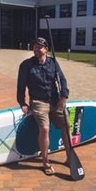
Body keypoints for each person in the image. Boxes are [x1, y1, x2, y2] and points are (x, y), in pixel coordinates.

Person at [17, 37, 71, 176]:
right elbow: (21, 86)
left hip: (55, 100)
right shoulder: (26, 65)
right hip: (38, 102)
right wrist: (22, 103)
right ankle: (46, 162)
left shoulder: (53, 62)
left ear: (46, 49)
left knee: (66, 125)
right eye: (34, 46)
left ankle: (70, 157)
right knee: (45, 129)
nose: (36, 49)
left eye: (39, 46)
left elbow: (63, 80)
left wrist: (64, 97)